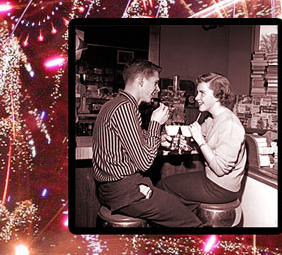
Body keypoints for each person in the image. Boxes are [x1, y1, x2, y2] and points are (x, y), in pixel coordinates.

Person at [92, 59, 202, 227]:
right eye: (156, 83)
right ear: (141, 81)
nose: (157, 90)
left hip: (114, 187)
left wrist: (158, 140)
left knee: (187, 205)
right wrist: (155, 124)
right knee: (193, 223)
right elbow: (144, 163)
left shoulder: (113, 104)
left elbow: (130, 138)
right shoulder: (125, 108)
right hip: (122, 190)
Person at [157, 72, 247, 213]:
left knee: (164, 186)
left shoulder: (230, 124)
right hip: (211, 179)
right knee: (169, 182)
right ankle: (191, 220)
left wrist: (200, 140)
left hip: (221, 188)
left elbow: (219, 169)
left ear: (218, 95)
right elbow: (194, 135)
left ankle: (188, 224)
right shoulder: (212, 118)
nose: (197, 97)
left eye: (202, 93)